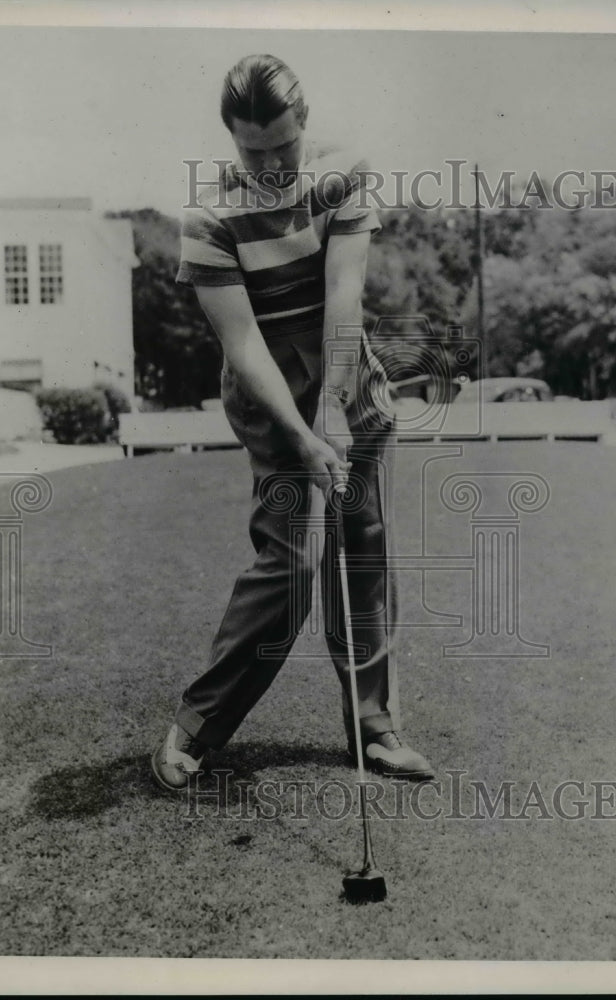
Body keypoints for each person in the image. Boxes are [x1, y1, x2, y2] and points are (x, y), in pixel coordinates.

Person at [152, 54, 433, 793]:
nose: (273, 166)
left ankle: (376, 729)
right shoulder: (207, 217)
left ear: (304, 124)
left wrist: (335, 407)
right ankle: (196, 726)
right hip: (270, 398)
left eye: (284, 146)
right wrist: (304, 433)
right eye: (254, 152)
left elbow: (344, 299)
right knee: (293, 565)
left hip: (351, 384)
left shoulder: (343, 174)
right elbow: (242, 343)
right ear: (231, 140)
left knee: (363, 554)